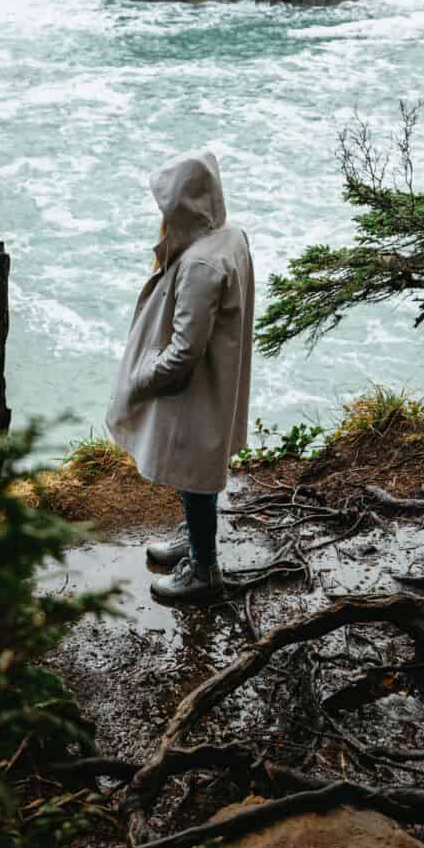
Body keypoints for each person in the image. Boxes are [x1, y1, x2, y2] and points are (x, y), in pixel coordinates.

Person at [106, 149, 254, 604]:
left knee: (195, 474)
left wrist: (143, 377)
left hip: (197, 389)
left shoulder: (200, 265)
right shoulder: (229, 237)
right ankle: (194, 541)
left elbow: (185, 351)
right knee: (196, 469)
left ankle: (204, 569)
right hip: (215, 382)